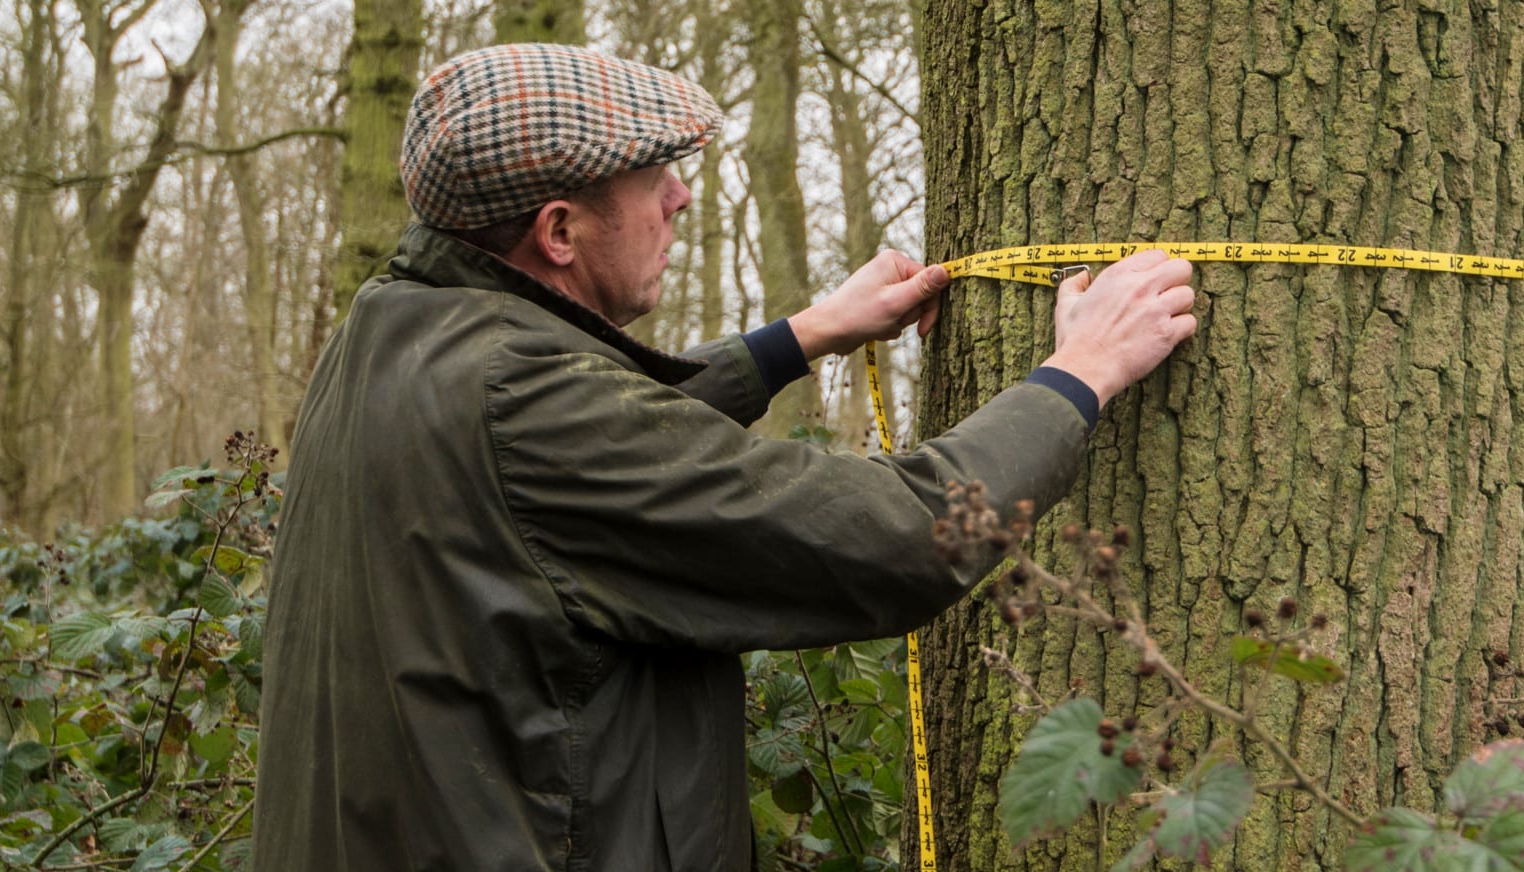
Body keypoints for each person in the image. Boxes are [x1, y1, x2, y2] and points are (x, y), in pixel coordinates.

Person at [256, 43, 1196, 870]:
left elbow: (590, 458)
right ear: (559, 231)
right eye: (651, 178)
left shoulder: (397, 328)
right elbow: (900, 537)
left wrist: (803, 336)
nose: (681, 196)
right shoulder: (527, 406)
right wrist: (1081, 372)